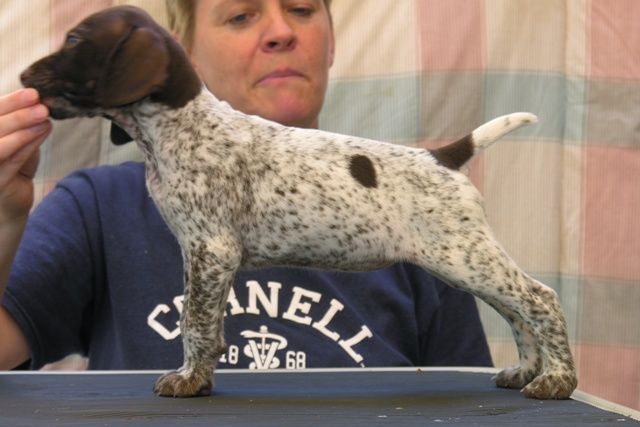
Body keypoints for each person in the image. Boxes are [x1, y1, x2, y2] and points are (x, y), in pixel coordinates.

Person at [0, 0, 492, 371]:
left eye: (301, 9)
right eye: (241, 15)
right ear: (181, 54)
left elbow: (471, 404)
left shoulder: (409, 195)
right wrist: (3, 222)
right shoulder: (96, 208)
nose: (280, 32)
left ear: (331, 42)